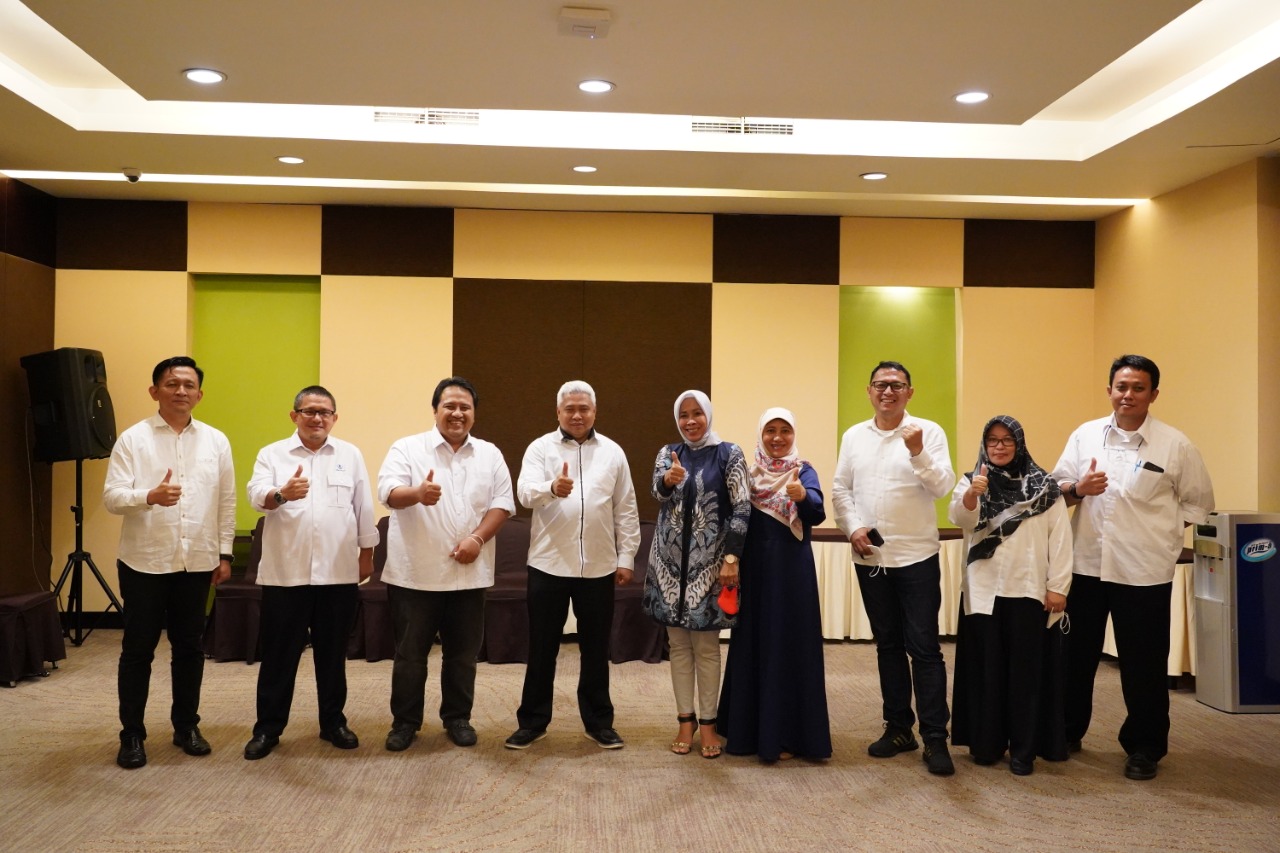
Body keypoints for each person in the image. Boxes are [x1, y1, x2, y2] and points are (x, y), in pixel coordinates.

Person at [1052, 354, 1214, 781]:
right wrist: (1077, 489)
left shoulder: (1175, 445)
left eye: (1138, 388)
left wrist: (1159, 536)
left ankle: (1144, 747)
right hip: (1086, 566)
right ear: (1109, 390)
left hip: (1143, 572)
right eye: (1121, 387)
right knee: (1074, 659)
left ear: (1153, 394)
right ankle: (1065, 732)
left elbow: (1198, 504)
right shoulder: (1085, 435)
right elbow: (1055, 492)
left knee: (1143, 665)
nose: (1128, 395)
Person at [103, 356, 234, 770]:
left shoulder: (216, 441)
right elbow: (112, 497)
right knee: (138, 650)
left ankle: (186, 726)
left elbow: (226, 501)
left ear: (200, 394)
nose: (181, 391)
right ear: (154, 390)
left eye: (189, 385)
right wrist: (149, 496)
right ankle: (132, 734)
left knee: (189, 648)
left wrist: (224, 553)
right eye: (172, 383)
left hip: (196, 561)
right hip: (144, 561)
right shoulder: (133, 439)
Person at [832, 360, 957, 775]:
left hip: (917, 556)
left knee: (924, 648)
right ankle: (899, 728)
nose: (888, 391)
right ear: (869, 391)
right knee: (887, 645)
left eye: (896, 385)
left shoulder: (928, 432)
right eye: (880, 384)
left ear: (909, 392)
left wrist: (917, 450)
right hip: (871, 558)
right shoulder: (854, 436)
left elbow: (942, 487)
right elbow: (841, 489)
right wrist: (852, 528)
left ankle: (935, 738)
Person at [241, 386, 379, 760]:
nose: (317, 418)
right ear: (294, 416)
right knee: (279, 656)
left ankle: (333, 722)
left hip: (338, 573)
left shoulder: (350, 454)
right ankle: (268, 729)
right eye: (309, 411)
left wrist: (367, 555)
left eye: (324, 412)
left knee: (332, 655)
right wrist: (282, 494)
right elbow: (256, 495)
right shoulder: (272, 454)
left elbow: (363, 507)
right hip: (286, 574)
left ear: (334, 418)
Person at [379, 377, 514, 752]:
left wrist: (477, 539)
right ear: (435, 410)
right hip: (415, 574)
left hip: (469, 574)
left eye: (464, 407)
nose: (457, 413)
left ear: (474, 414)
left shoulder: (489, 453)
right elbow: (388, 492)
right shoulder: (407, 448)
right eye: (449, 406)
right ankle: (405, 723)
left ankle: (457, 718)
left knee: (462, 656)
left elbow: (503, 503)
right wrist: (417, 493)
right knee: (410, 656)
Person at [506, 380, 640, 750]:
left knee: (596, 649)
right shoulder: (540, 448)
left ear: (594, 412)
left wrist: (626, 556)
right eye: (570, 409)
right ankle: (532, 722)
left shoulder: (613, 452)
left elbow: (625, 507)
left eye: (584, 409)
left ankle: (599, 723)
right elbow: (523, 493)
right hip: (548, 564)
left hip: (598, 567)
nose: (577, 415)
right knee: (542, 648)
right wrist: (551, 488)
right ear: (558, 412)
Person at [948, 415, 1072, 776]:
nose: (999, 446)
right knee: (986, 671)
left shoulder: (1045, 487)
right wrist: (973, 494)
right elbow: (961, 519)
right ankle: (986, 745)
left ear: (1019, 444)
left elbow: (1060, 539)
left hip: (1028, 591)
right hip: (983, 592)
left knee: (1025, 675)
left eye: (1007, 440)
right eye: (992, 440)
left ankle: (1023, 750)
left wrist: (1058, 586)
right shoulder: (972, 481)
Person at [718, 408, 831, 761]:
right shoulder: (749, 473)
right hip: (754, 572)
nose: (778, 438)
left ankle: (788, 735)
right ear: (761, 434)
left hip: (792, 574)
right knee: (754, 643)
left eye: (785, 431)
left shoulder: (803, 470)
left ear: (793, 434)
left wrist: (802, 496)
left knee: (788, 645)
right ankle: (748, 731)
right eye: (770, 431)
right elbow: (733, 517)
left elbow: (817, 511)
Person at [642, 390, 750, 758]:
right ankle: (684, 721)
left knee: (706, 648)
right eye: (683, 415)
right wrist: (668, 480)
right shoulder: (668, 452)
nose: (690, 421)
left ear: (708, 415)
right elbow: (657, 493)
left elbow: (742, 507)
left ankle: (708, 724)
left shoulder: (729, 454)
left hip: (712, 566)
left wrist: (732, 558)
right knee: (678, 647)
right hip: (669, 567)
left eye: (697, 414)